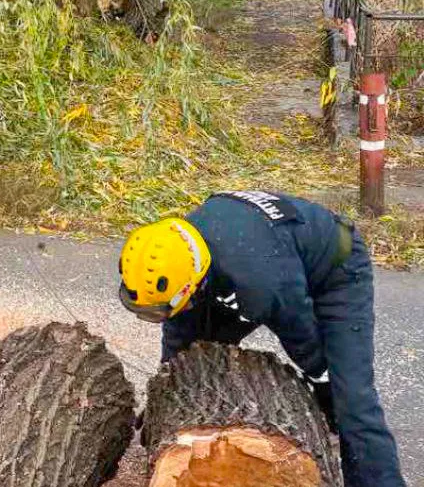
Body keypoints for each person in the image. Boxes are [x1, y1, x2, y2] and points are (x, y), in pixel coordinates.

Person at [117, 190, 405, 486]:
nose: (154, 318)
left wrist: (326, 389)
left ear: (191, 281)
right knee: (197, 349)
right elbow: (181, 328)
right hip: (259, 256)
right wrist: (169, 381)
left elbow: (302, 335)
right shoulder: (177, 251)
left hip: (334, 269)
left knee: (353, 402)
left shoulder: (260, 283)